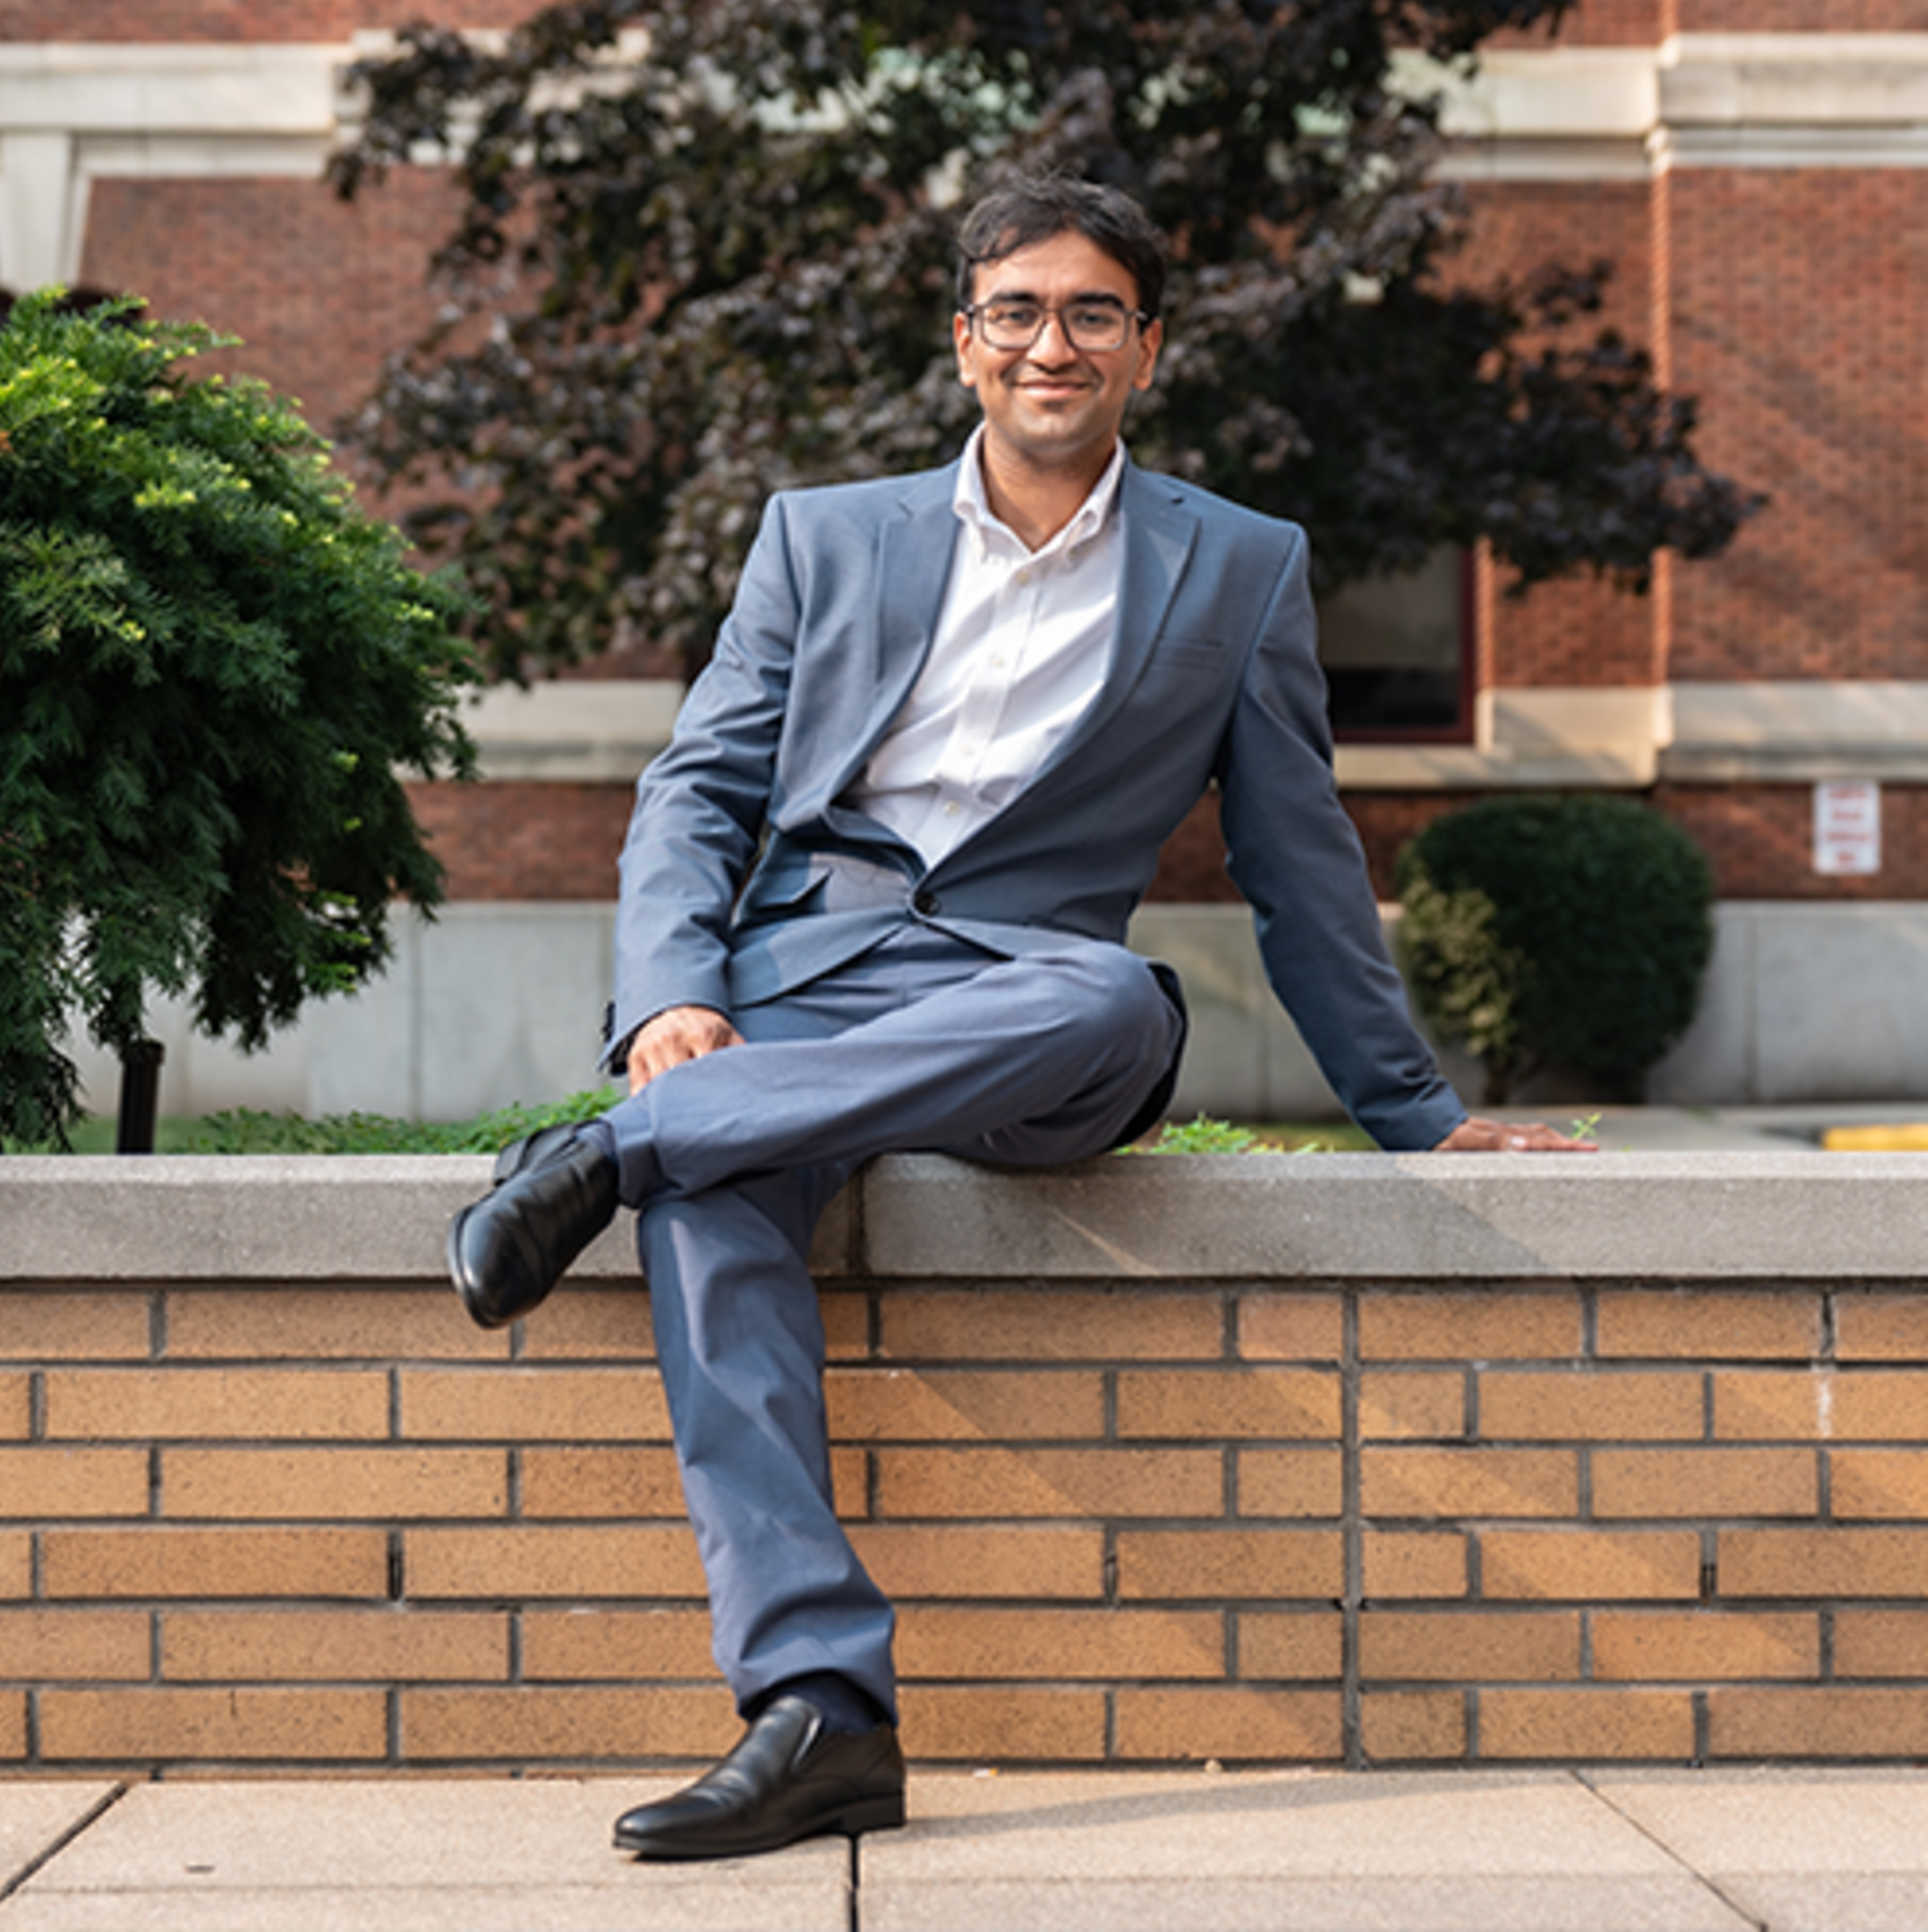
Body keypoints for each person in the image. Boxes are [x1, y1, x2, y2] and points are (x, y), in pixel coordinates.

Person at [447, 172, 1590, 1862]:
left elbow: (1301, 859)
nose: (1052, 343)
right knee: (716, 1216)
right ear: (965, 342)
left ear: (1150, 349)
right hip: (792, 996)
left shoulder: (1242, 566)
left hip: (1031, 1010)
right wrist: (676, 996)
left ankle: (606, 1157)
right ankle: (818, 1711)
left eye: (1092, 313)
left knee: (1119, 990)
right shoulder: (823, 536)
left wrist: (1416, 1109)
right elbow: (699, 791)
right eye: (1017, 311)